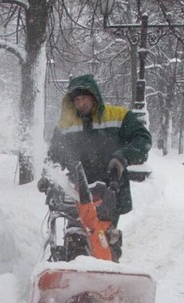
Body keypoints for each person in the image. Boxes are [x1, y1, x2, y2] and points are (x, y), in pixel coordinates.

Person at [44, 74, 152, 262]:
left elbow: (142, 139)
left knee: (103, 240)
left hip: (110, 188)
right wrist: (48, 176)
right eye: (76, 100)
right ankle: (74, 275)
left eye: (84, 98)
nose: (80, 103)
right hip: (78, 190)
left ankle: (107, 270)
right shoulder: (66, 126)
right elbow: (54, 155)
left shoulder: (117, 116)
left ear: (94, 96)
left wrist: (122, 157)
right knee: (76, 235)